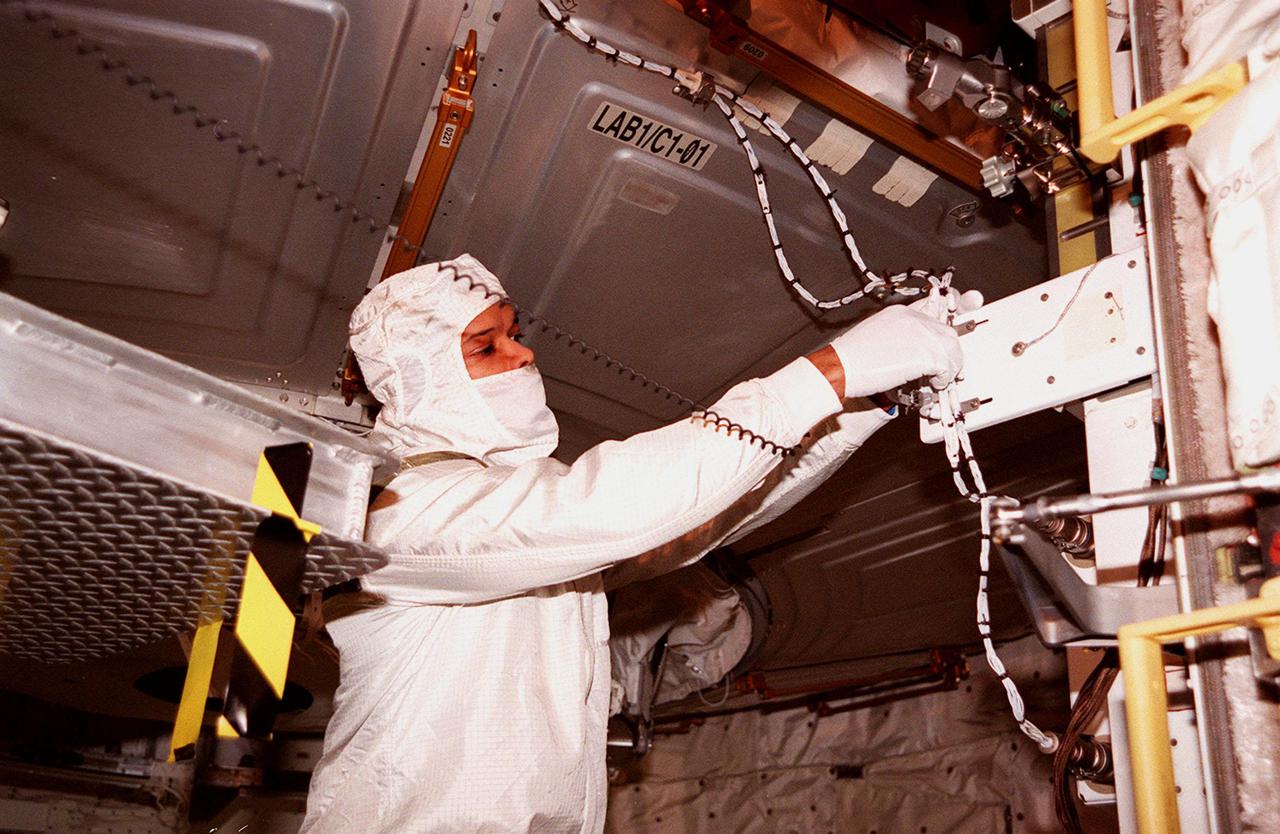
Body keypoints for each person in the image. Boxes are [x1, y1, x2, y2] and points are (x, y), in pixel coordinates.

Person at [300, 254, 964, 833]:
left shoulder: (501, 513)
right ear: (422, 379)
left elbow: (684, 527)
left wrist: (860, 407)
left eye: (516, 333)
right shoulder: (395, 517)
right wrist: (828, 371)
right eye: (486, 346)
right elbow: (620, 507)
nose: (523, 354)